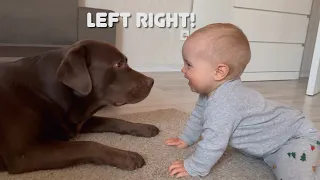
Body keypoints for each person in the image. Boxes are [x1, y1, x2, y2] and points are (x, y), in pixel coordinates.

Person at [165, 23, 320, 180]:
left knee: (296, 175)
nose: (183, 69)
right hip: (272, 143)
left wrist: (195, 166)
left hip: (293, 137)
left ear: (219, 72)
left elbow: (214, 143)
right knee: (282, 163)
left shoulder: (226, 104)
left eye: (189, 65)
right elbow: (198, 115)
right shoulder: (210, 93)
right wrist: (187, 138)